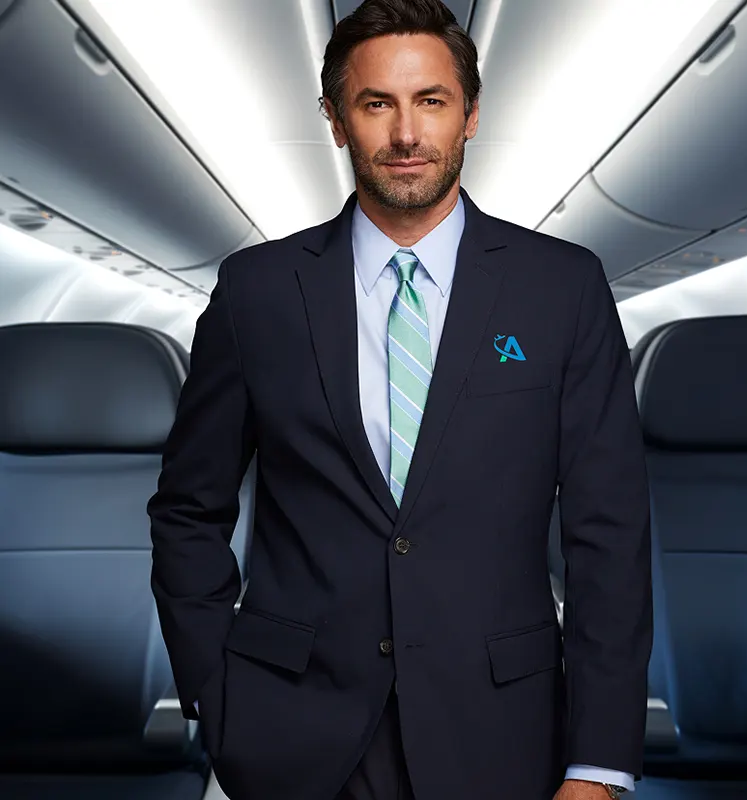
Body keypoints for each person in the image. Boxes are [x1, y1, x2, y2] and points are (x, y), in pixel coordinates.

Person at [147, 1, 653, 798]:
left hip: (502, 730)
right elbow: (188, 510)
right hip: (291, 734)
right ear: (337, 119)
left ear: (471, 115)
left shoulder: (562, 288)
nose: (407, 135)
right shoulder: (258, 291)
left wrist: (597, 765)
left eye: (432, 101)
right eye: (377, 103)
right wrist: (222, 700)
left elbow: (609, 538)